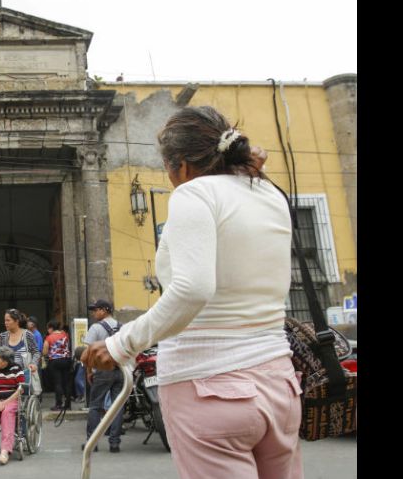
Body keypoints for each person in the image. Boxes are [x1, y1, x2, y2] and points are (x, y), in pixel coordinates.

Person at [81, 106, 301, 479]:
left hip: (209, 384)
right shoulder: (269, 192)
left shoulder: (194, 193)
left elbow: (193, 289)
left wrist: (121, 344)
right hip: (279, 382)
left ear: (180, 166)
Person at [82, 299, 123, 453]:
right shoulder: (122, 327)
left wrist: (88, 371)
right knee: (117, 407)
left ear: (105, 310)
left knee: (95, 406)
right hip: (120, 370)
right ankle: (114, 443)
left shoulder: (96, 328)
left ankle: (92, 442)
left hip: (102, 371)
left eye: (96, 309)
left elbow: (88, 352)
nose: (94, 313)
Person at [0, 309, 41, 387]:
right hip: (7, 377)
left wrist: (34, 364)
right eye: (5, 320)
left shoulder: (27, 335)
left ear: (16, 321)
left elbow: (36, 352)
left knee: (23, 397)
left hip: (24, 376)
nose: (5, 323)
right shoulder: (2, 337)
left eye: (8, 320)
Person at [43, 320, 72, 411]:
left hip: (55, 361)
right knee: (67, 382)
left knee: (58, 383)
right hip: (67, 360)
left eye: (48, 328)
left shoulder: (49, 337)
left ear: (51, 328)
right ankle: (68, 405)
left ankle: (58, 404)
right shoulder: (65, 335)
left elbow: (45, 351)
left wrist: (47, 354)